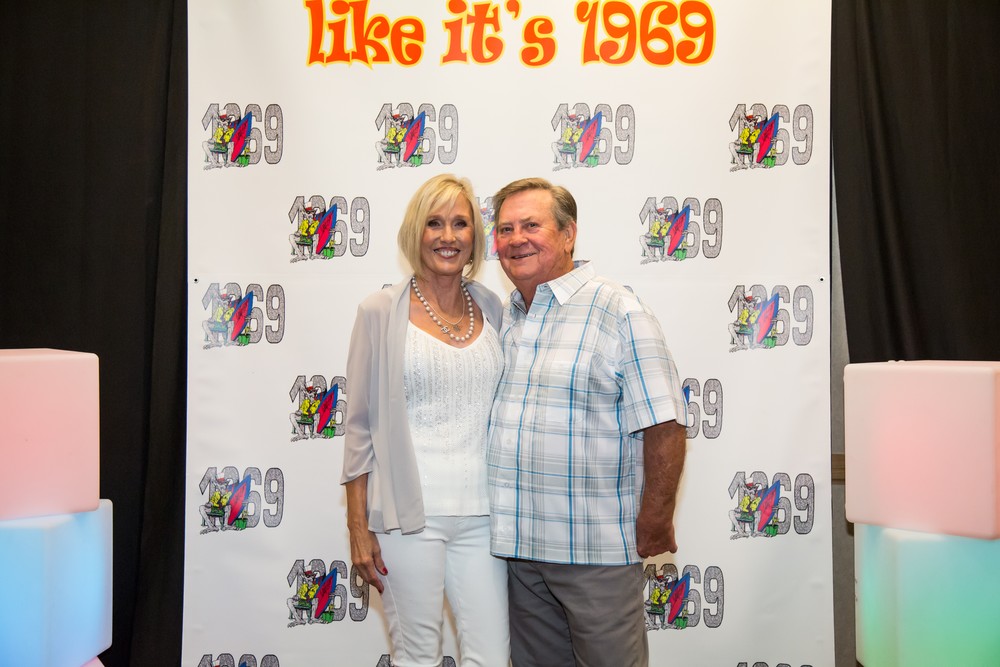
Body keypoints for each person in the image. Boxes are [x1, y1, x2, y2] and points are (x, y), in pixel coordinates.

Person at [487, 177, 687, 667]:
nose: (516, 239)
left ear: (568, 234)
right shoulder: (508, 317)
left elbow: (665, 424)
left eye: (531, 225)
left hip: (596, 553)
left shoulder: (617, 309)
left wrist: (655, 519)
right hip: (519, 554)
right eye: (506, 229)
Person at [341, 174, 509, 667]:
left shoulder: (493, 308)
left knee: (492, 657)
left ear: (475, 235)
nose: (447, 236)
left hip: (485, 516)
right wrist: (357, 526)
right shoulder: (379, 311)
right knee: (418, 658)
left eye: (460, 223)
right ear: (416, 232)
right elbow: (358, 427)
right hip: (408, 520)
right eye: (434, 223)